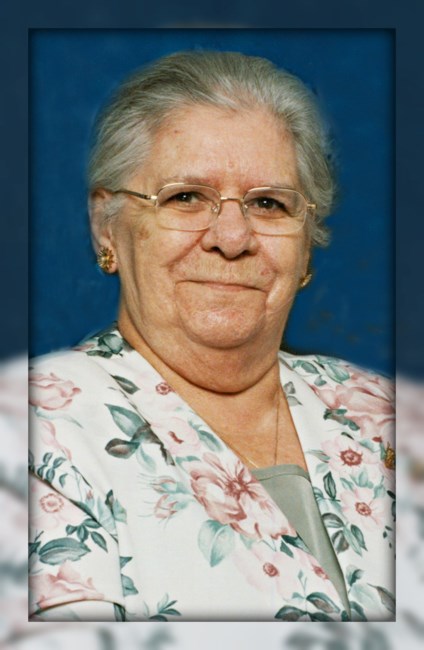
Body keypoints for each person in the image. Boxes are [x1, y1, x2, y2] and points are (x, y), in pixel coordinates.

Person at [29, 50, 395, 622]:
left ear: (306, 243)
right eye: (185, 197)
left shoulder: (382, 412)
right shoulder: (38, 427)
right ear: (107, 227)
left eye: (268, 203)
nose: (231, 237)